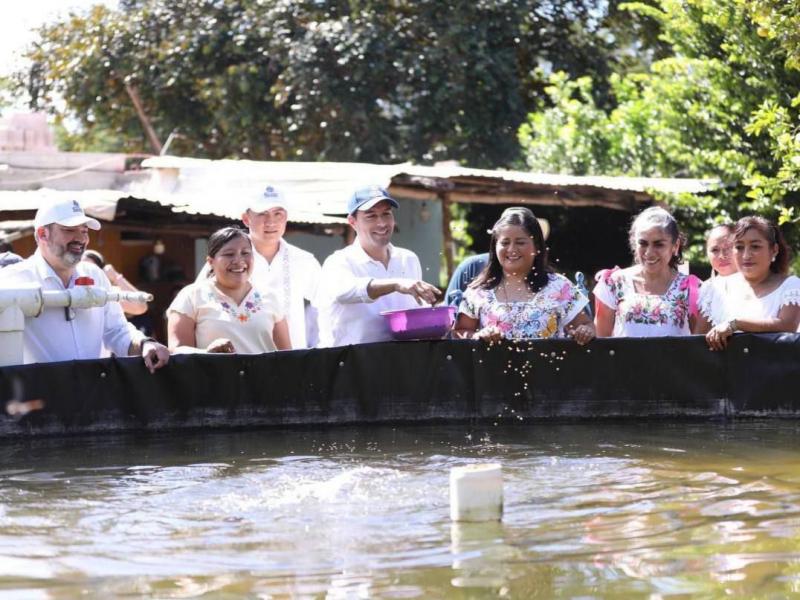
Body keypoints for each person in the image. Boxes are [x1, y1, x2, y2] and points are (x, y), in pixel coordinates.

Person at [0, 199, 169, 371]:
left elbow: (116, 330)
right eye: (69, 230)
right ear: (43, 234)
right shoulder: (11, 279)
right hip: (40, 394)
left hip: (96, 391)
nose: (81, 239)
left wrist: (145, 344)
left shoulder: (95, 274)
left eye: (84, 231)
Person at [314, 185, 441, 346]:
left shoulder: (408, 259)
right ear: (352, 222)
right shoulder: (338, 262)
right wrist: (396, 284)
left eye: (386, 214)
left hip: (399, 362)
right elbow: (348, 291)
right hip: (349, 364)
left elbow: (415, 315)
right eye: (371, 216)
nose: (381, 223)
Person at [197, 185, 321, 348]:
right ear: (246, 218)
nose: (271, 221)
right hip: (238, 358)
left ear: (286, 218)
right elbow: (196, 304)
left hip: (291, 361)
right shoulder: (225, 259)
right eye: (262, 214)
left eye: (278, 213)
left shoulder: (304, 260)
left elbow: (326, 306)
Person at [453, 207, 594, 344]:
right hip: (492, 368)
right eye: (505, 243)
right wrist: (479, 336)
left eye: (520, 242)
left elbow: (586, 325)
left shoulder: (559, 286)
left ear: (537, 247)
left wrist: (584, 332)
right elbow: (460, 332)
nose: (512, 249)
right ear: (495, 246)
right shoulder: (479, 291)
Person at [167, 227, 291, 354]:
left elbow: (288, 356)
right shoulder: (192, 296)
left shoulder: (270, 297)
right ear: (210, 262)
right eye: (229, 254)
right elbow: (176, 350)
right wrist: (207, 353)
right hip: (212, 373)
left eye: (245, 253)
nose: (239, 260)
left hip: (264, 374)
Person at [594, 206, 701, 337]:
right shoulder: (613, 283)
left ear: (675, 246)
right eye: (643, 243)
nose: (649, 253)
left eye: (659, 244)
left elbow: (698, 347)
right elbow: (600, 342)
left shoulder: (691, 289)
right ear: (634, 243)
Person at [697, 216, 800, 350]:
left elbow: (787, 325)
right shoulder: (713, 289)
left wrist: (735, 324)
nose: (746, 255)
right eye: (739, 247)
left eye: (755, 247)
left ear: (774, 250)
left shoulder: (790, 287)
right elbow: (697, 342)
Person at [82, 249, 148, 316]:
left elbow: (141, 307)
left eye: (92, 270)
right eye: (82, 268)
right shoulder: (71, 290)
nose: (86, 273)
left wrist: (116, 277)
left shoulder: (109, 293)